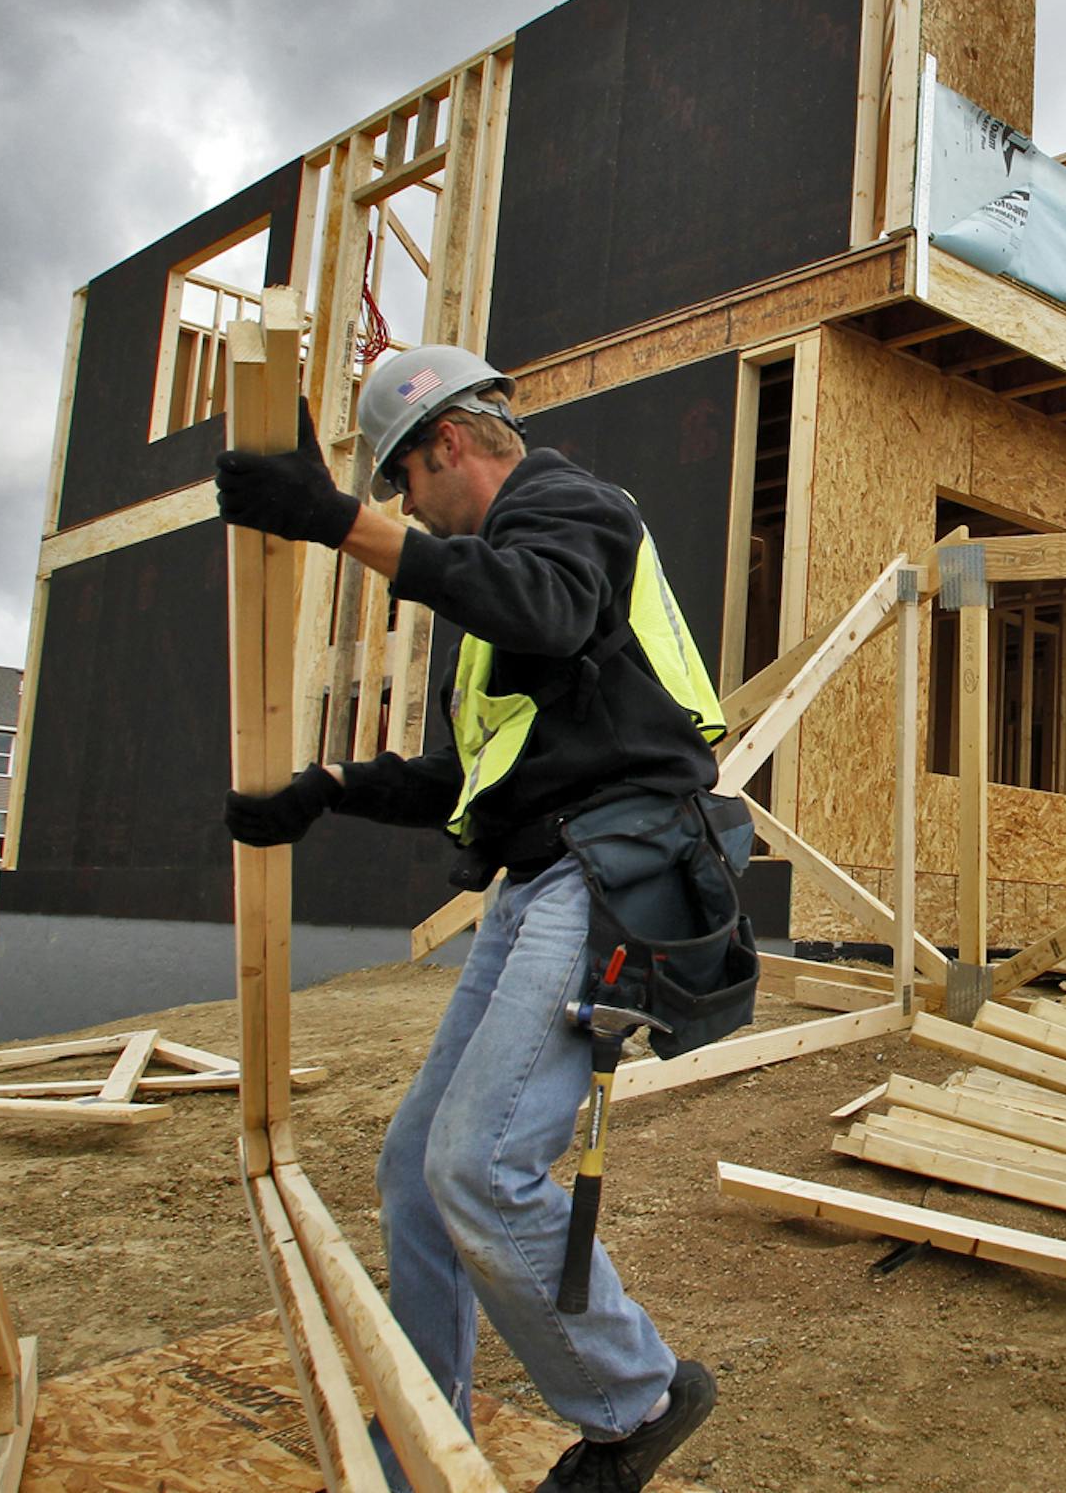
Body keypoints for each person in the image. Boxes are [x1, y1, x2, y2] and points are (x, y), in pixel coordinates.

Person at [215, 344, 723, 1493]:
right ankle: (424, 1445)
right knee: (416, 1171)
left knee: (482, 1162)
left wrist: (340, 521)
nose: (401, 507)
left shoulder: (566, 503)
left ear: (447, 444)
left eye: (400, 482)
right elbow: (471, 776)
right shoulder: (492, 577)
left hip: (616, 861)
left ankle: (637, 1396)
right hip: (542, 871)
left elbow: (546, 605)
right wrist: (333, 787)